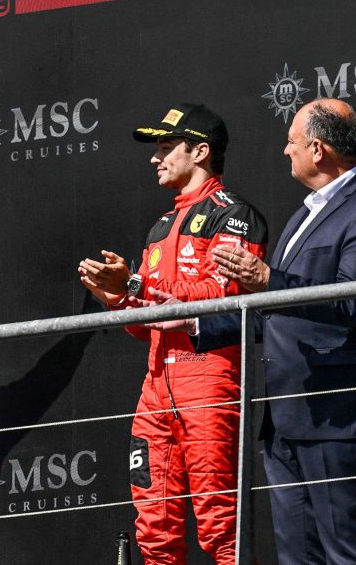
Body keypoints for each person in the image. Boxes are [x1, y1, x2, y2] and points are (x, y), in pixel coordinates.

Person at [77, 103, 267, 564]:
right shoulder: (159, 227)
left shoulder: (234, 213)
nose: (154, 158)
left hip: (208, 380)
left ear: (200, 151)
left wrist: (139, 285)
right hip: (155, 388)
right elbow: (147, 324)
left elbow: (218, 295)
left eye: (166, 147)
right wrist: (118, 299)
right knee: (155, 530)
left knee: (221, 527)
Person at [203, 98, 356, 564]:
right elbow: (275, 312)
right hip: (285, 425)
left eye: (291, 142)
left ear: (318, 149)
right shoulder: (303, 215)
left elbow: (354, 300)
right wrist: (192, 321)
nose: (285, 151)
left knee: (350, 555)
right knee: (297, 558)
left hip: (337, 424)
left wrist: (267, 280)